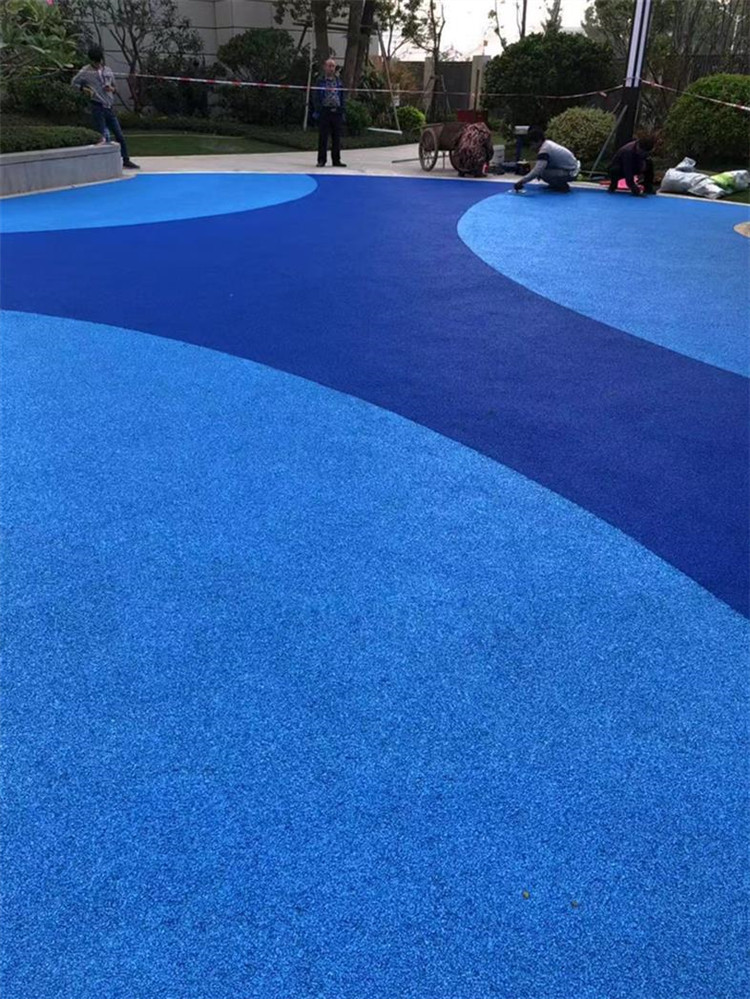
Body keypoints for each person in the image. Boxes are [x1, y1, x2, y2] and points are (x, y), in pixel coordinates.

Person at [72, 46, 139, 170]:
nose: (98, 64)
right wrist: (84, 89)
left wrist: (111, 89)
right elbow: (73, 83)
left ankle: (126, 159)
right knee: (102, 136)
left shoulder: (107, 70)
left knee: (119, 135)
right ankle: (102, 163)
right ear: (91, 60)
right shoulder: (85, 71)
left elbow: (115, 88)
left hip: (109, 107)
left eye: (99, 61)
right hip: (97, 106)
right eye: (95, 62)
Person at [513, 127, 579, 193]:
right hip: (571, 169)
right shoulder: (547, 144)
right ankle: (556, 184)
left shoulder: (545, 149)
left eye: (532, 144)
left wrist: (521, 182)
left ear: (539, 141)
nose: (531, 147)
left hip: (570, 172)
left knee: (543, 173)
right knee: (542, 171)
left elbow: (537, 170)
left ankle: (562, 186)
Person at [312, 59, 347, 169]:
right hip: (325, 111)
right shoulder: (320, 81)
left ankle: (336, 160)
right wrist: (318, 109)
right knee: (323, 137)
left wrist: (342, 109)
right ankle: (321, 160)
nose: (331, 68)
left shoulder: (339, 81)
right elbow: (315, 96)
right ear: (325, 67)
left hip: (336, 111)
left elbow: (342, 96)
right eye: (329, 66)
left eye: (333, 66)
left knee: (336, 137)